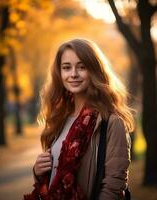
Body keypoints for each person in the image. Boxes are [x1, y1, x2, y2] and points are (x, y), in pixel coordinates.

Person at [24, 38, 134, 200]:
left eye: (82, 67)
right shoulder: (59, 119)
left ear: (94, 71)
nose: (73, 74)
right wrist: (38, 171)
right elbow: (54, 176)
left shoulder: (111, 122)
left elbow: (114, 185)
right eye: (66, 68)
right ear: (59, 73)